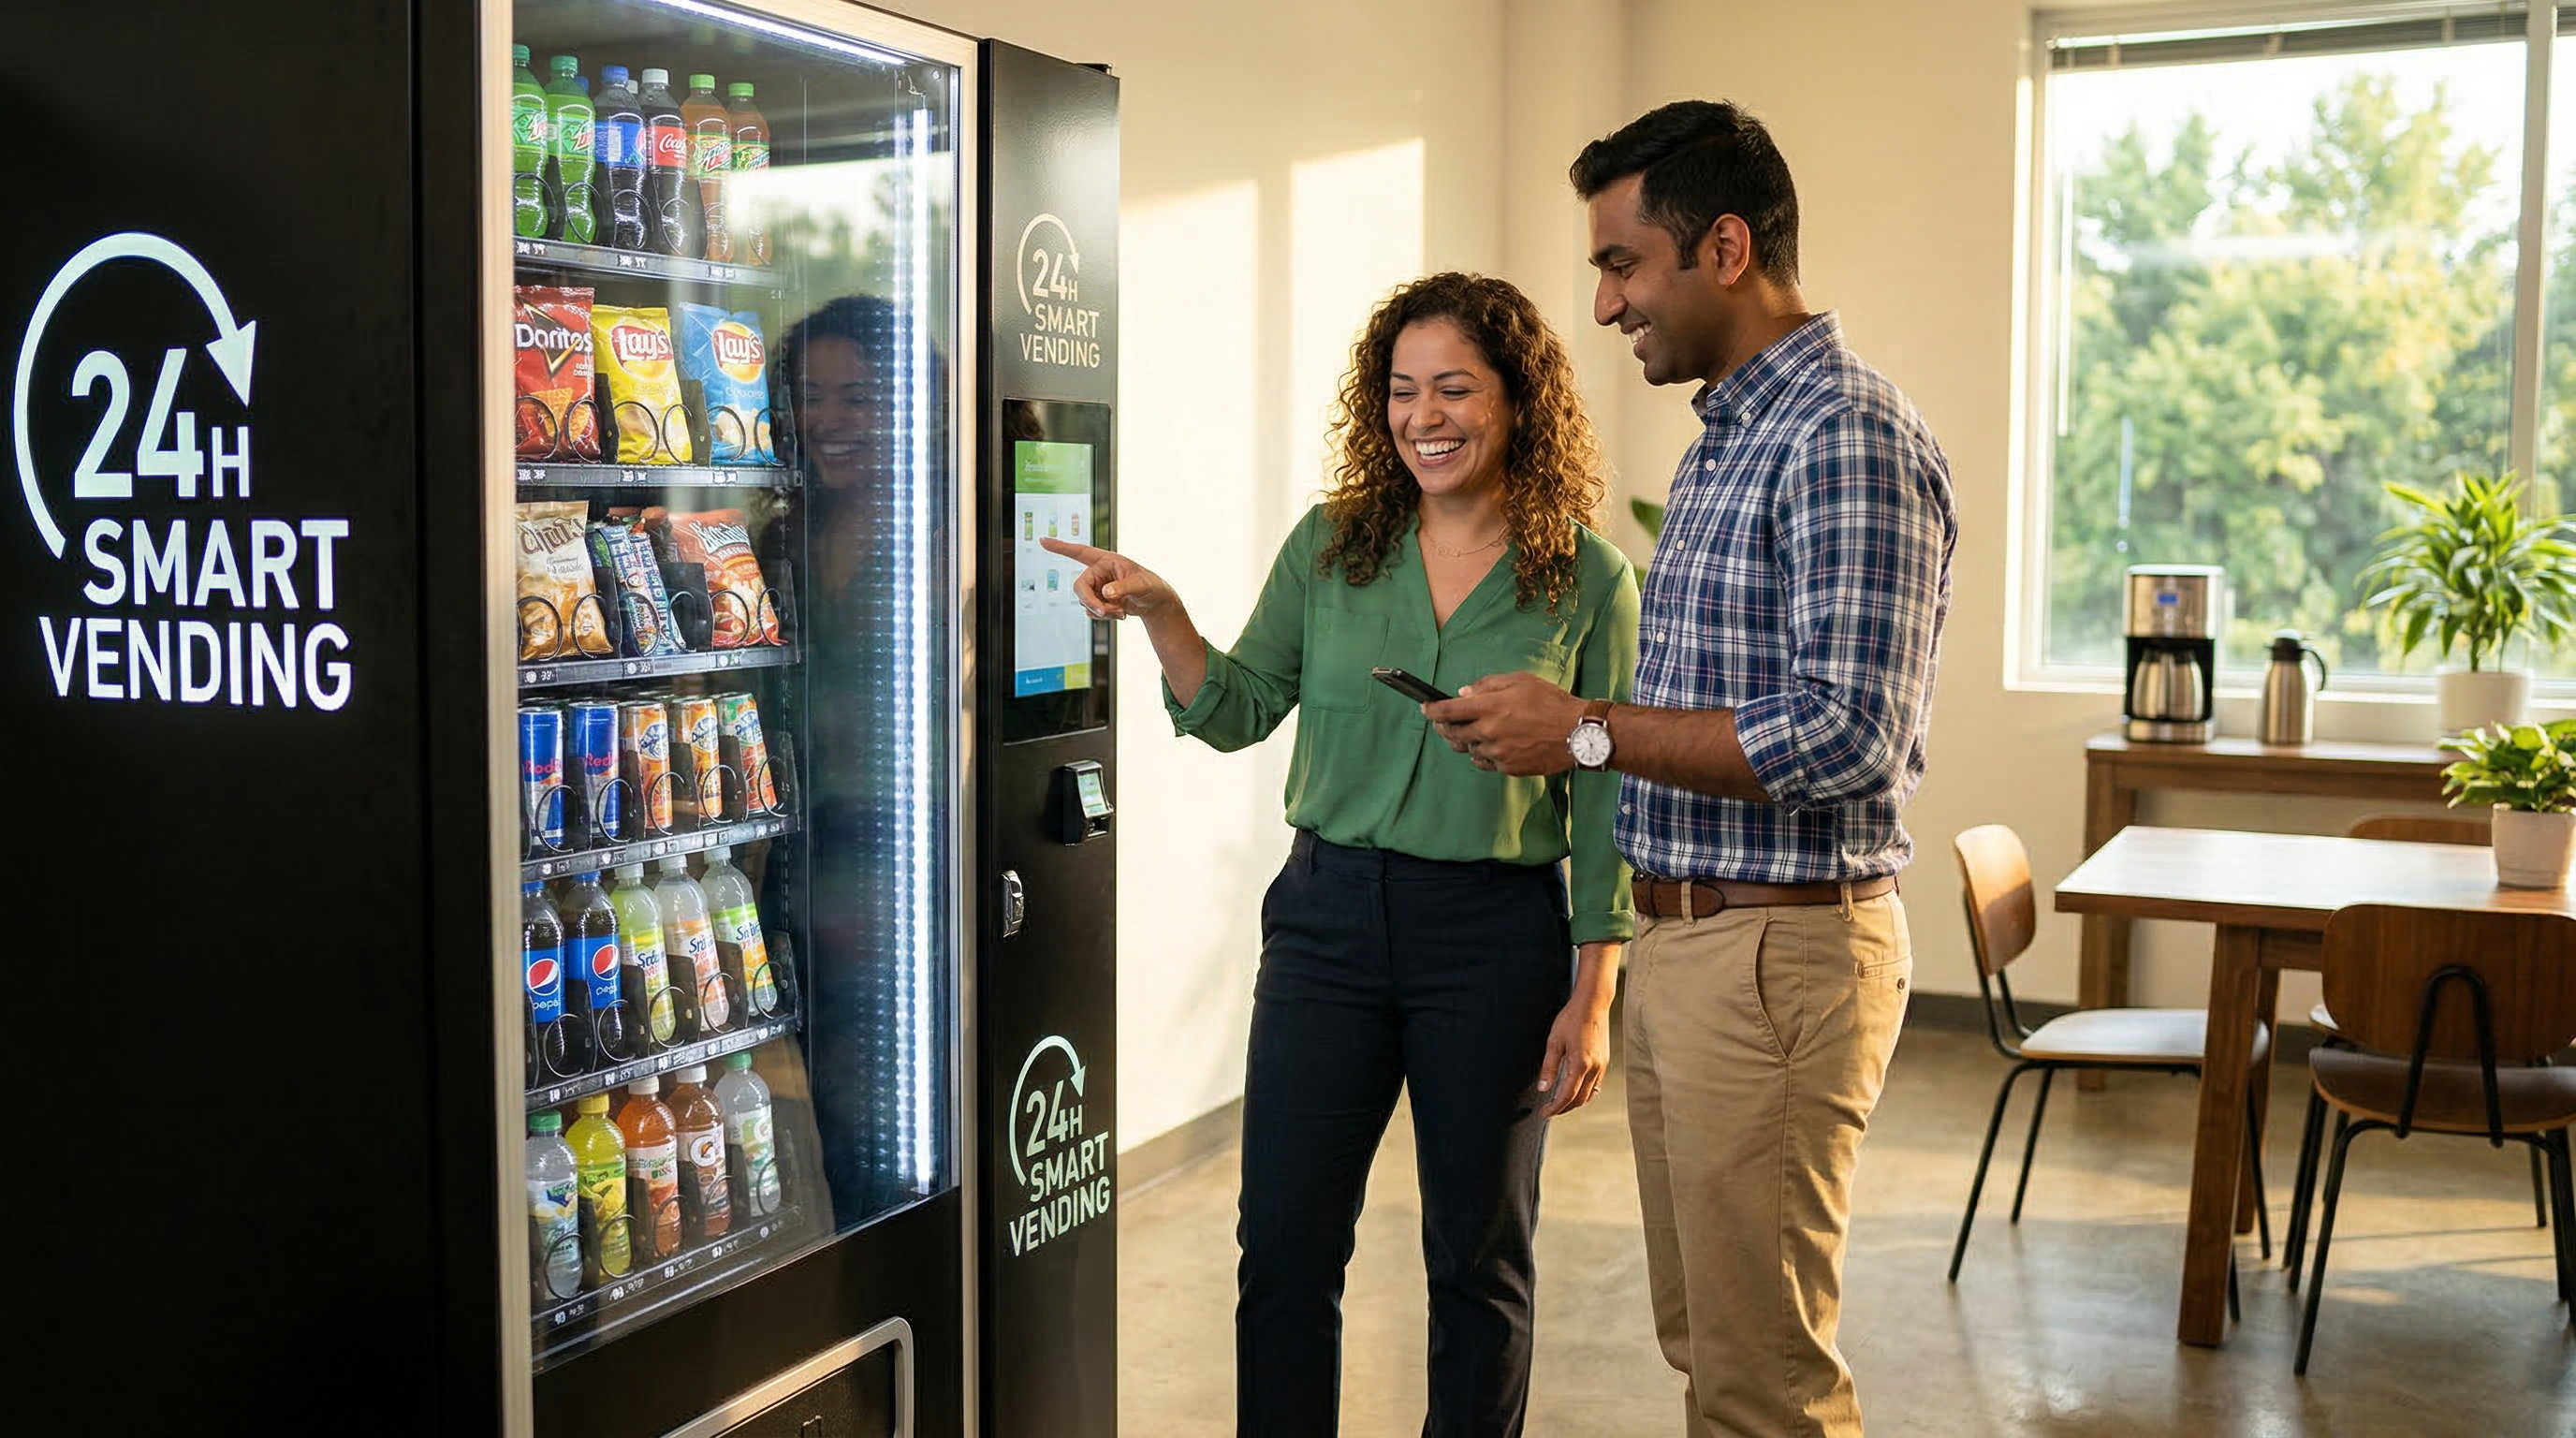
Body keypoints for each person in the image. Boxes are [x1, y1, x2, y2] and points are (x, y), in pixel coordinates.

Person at [1426, 102, 1956, 1438]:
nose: (1603, 304)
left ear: (1725, 248)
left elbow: (1847, 734)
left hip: (1777, 962)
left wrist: (1584, 728)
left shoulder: (1843, 435)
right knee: (1710, 1343)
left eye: (1623, 263)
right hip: (1698, 954)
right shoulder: (1732, 435)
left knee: (1763, 1384)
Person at [1042, 271, 1639, 1438]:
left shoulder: (1589, 576)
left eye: (1455, 388)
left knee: (1478, 1262)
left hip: (1493, 936)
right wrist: (1165, 614)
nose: (1427, 416)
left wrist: (1596, 986)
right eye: (1403, 391)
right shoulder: (1331, 548)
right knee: (1283, 1246)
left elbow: (1605, 790)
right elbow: (1238, 707)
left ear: (1518, 401)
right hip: (1325, 925)